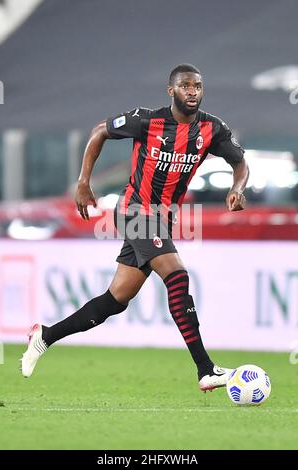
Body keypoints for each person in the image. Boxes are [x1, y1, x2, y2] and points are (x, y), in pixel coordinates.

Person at [21, 64, 249, 392]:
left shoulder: (211, 129)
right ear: (171, 91)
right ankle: (205, 369)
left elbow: (239, 162)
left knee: (116, 300)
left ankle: (45, 336)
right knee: (178, 277)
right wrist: (83, 181)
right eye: (185, 86)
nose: (193, 92)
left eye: (197, 86)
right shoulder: (147, 120)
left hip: (162, 219)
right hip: (135, 211)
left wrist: (237, 188)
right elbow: (100, 130)